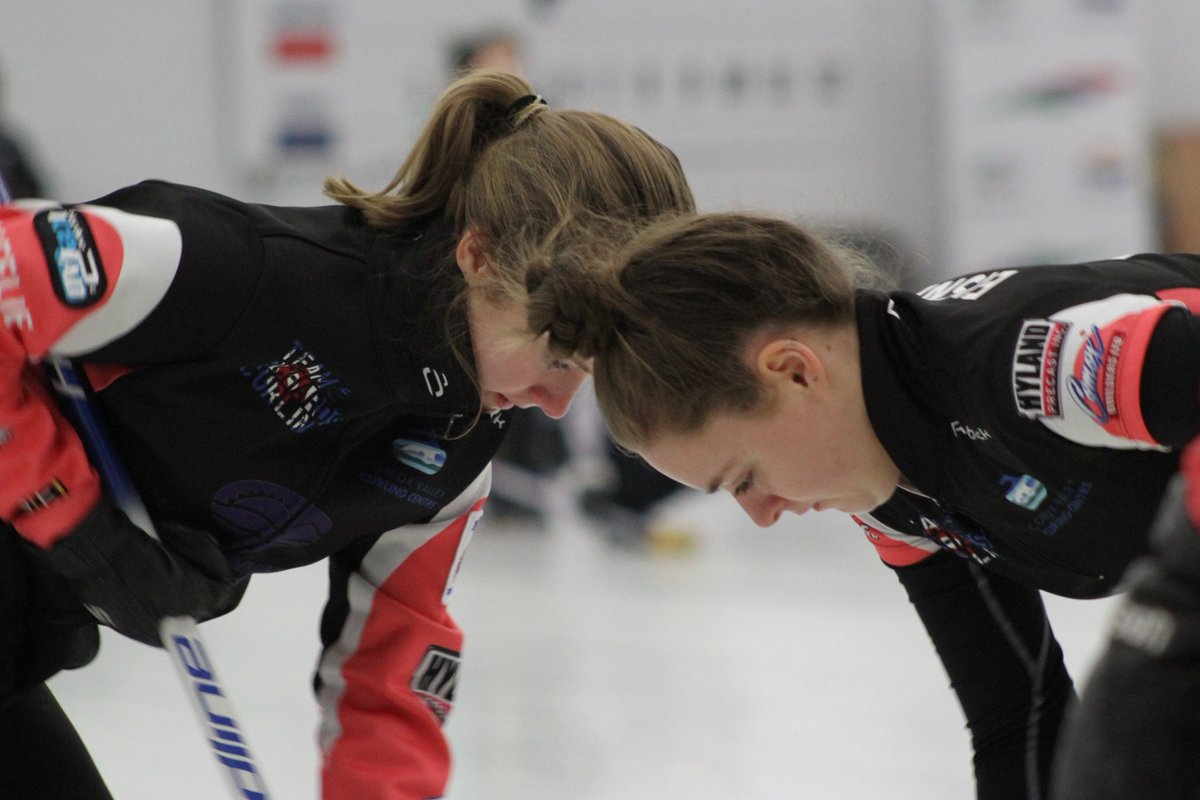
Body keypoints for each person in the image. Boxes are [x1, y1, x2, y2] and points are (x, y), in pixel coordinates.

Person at [0, 68, 694, 800]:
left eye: (582, 374)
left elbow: (393, 681)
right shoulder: (239, 268)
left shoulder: (453, 457)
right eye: (555, 356)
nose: (556, 405)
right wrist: (70, 518)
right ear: (478, 256)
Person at [524, 210, 1200, 799]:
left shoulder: (1020, 369)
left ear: (794, 371)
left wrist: (1176, 596)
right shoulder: (887, 493)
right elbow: (1018, 716)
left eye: (745, 477)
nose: (762, 513)